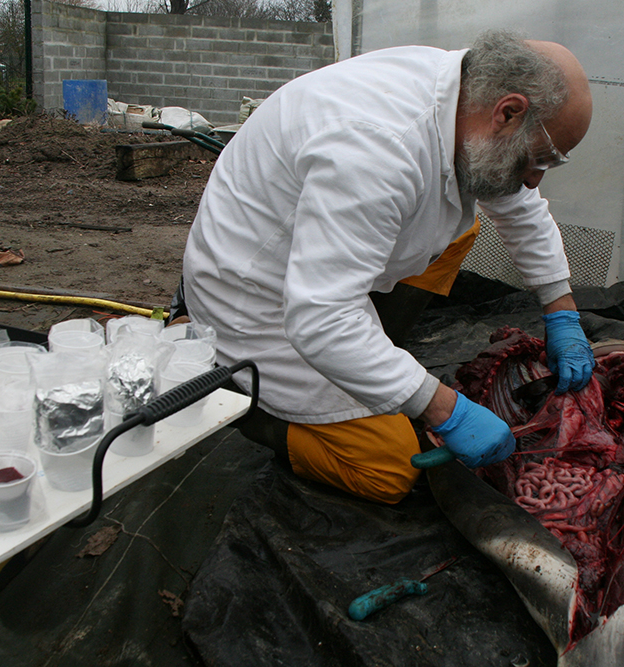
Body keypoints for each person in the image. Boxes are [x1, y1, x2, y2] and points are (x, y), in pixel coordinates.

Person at [173, 30, 596, 504]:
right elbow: (320, 318)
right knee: (390, 468)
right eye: (542, 158)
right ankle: (230, 393)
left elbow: (518, 203)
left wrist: (561, 310)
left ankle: (372, 355)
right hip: (257, 295)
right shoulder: (377, 149)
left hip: (323, 263)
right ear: (509, 111)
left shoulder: (467, 92)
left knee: (461, 227)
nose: (536, 177)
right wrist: (444, 409)